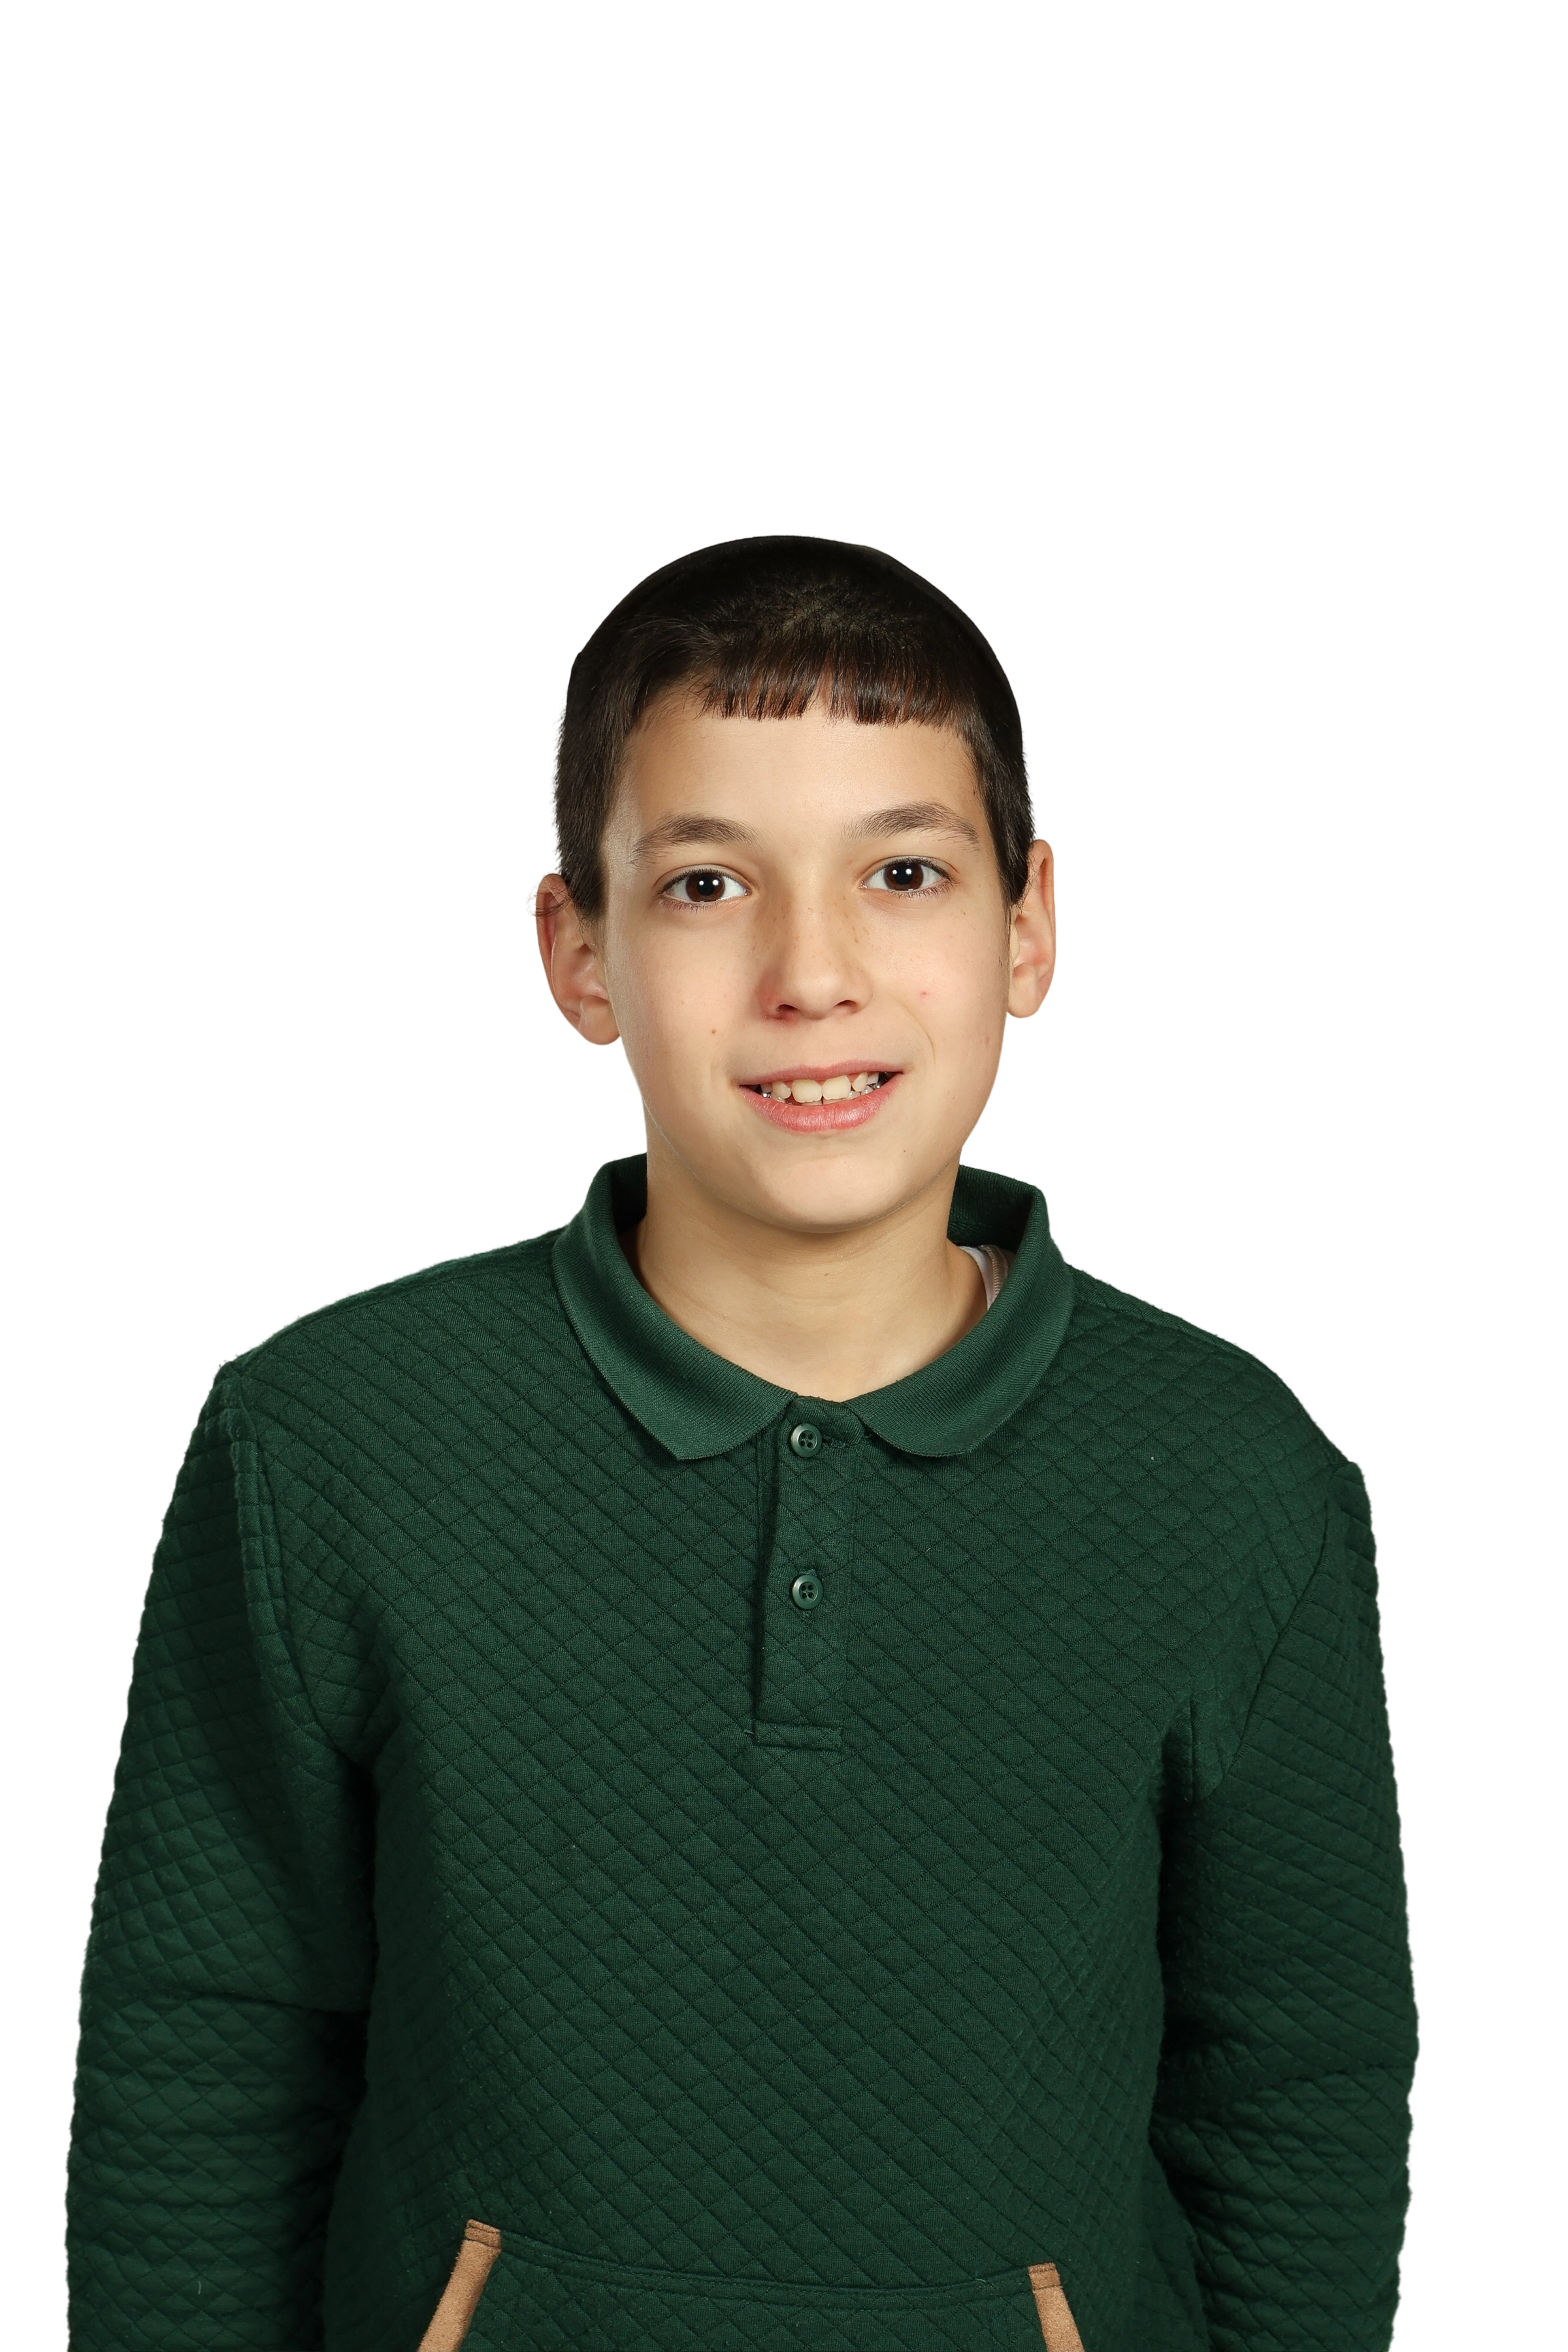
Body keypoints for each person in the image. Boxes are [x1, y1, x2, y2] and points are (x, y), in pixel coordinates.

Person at [64, 534, 1419, 2351]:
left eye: (904, 872)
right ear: (579, 952)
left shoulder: (1239, 1479)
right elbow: (201, 2061)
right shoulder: (323, 1442)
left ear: (1030, 928)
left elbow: (1303, 2093)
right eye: (708, 884)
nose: (812, 973)